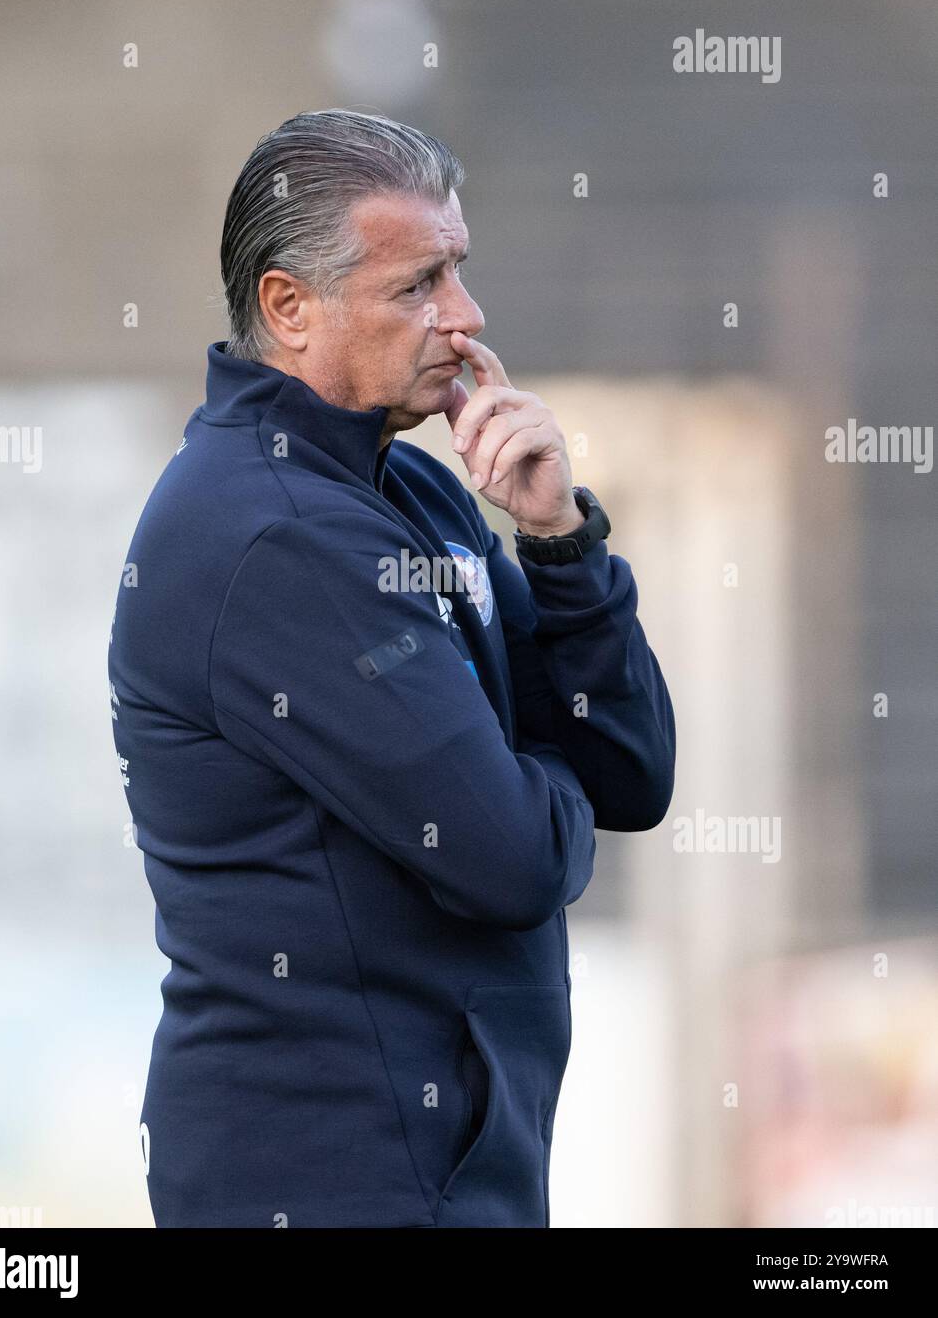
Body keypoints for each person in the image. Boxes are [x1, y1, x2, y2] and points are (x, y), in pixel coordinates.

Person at [108, 108, 676, 1228]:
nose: (464, 318)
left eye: (458, 270)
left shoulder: (406, 489)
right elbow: (512, 859)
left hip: (449, 1169)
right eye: (417, 285)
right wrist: (536, 770)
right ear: (289, 307)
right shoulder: (275, 536)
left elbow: (633, 775)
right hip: (331, 1181)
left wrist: (560, 543)